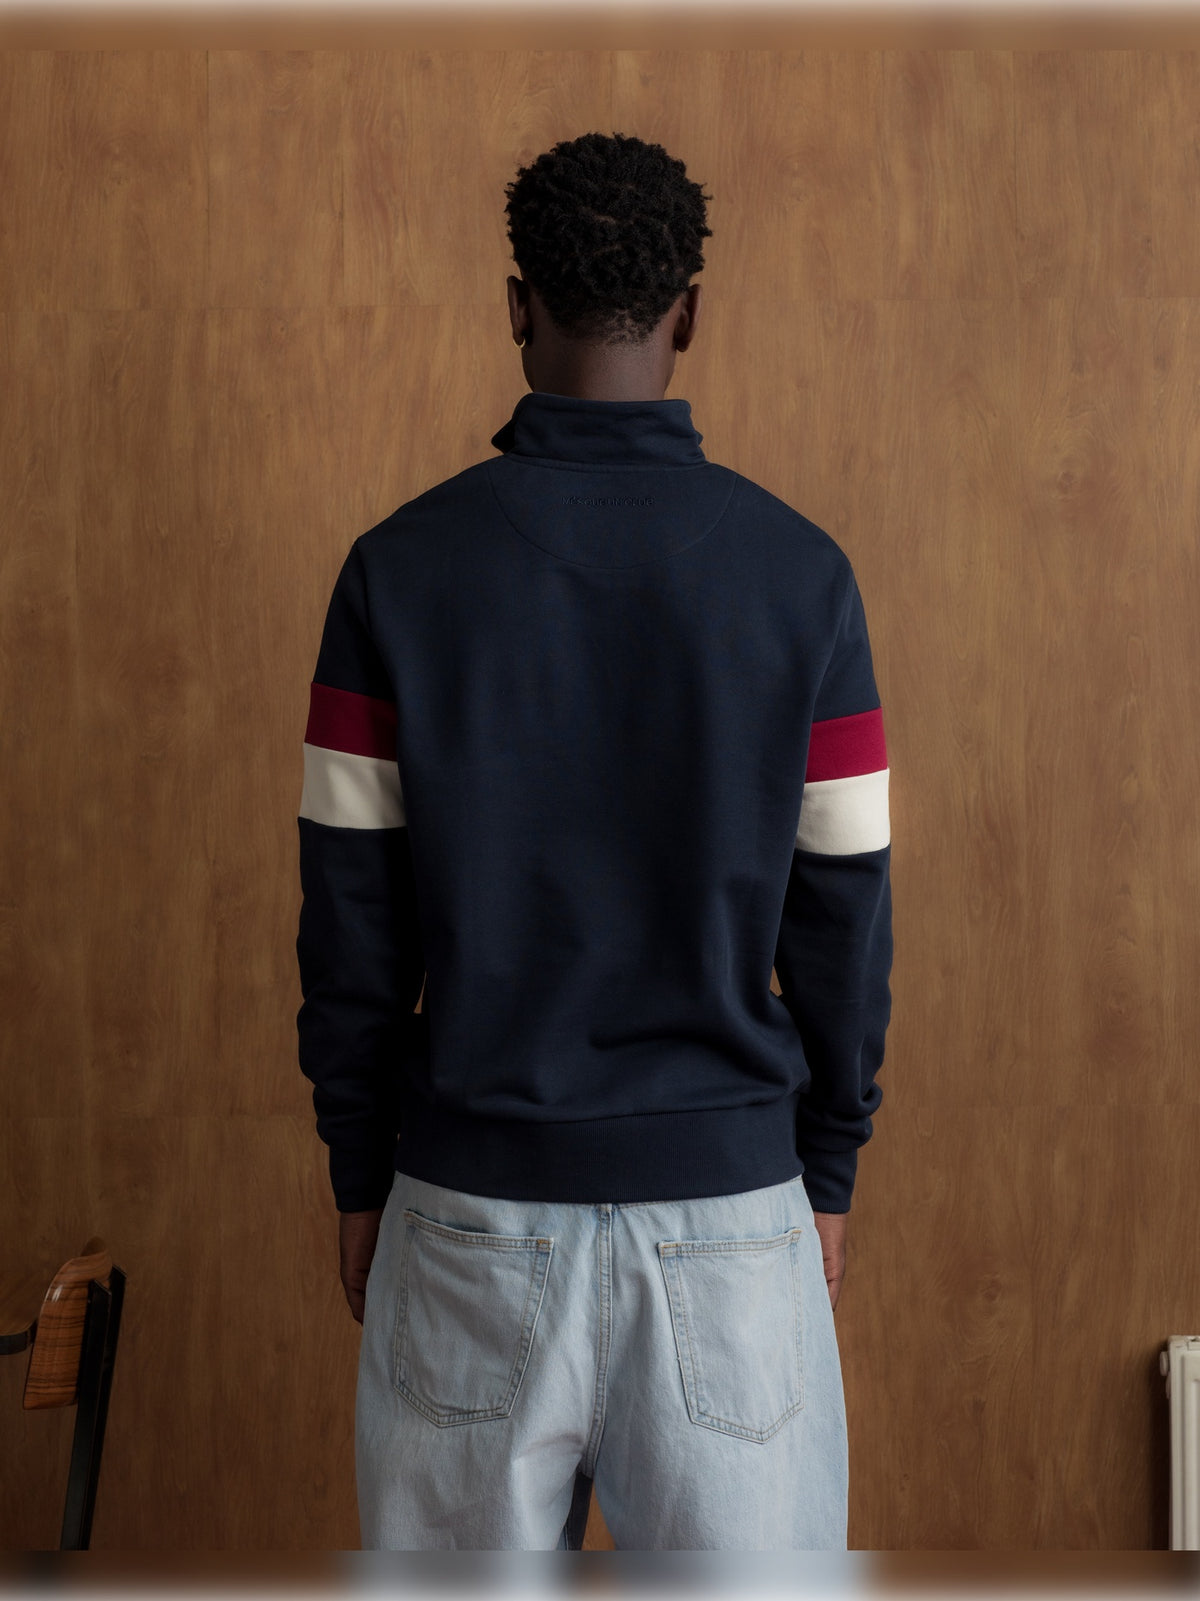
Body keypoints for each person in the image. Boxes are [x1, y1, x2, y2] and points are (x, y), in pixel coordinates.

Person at [295, 130, 892, 1551]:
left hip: (467, 1207)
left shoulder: (397, 572)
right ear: (691, 309)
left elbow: (350, 921)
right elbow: (846, 920)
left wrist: (359, 1170)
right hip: (735, 1218)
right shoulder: (803, 579)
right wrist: (830, 1167)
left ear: (517, 304)